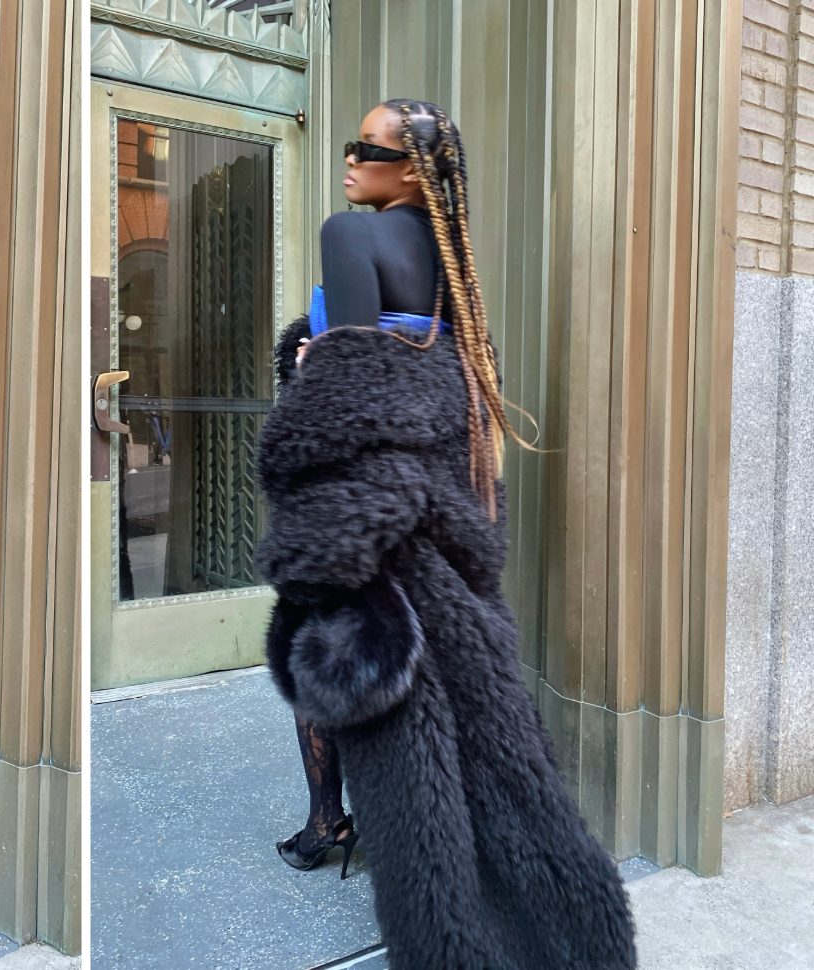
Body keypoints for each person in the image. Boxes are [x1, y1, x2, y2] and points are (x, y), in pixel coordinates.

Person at [256, 100, 636, 969]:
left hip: (378, 532)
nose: (350, 161)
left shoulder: (351, 238)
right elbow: (428, 387)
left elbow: (346, 406)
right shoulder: (448, 266)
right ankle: (545, 915)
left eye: (367, 149)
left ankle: (351, 844)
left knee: (389, 737)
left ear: (411, 169)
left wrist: (309, 371)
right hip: (439, 514)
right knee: (483, 742)